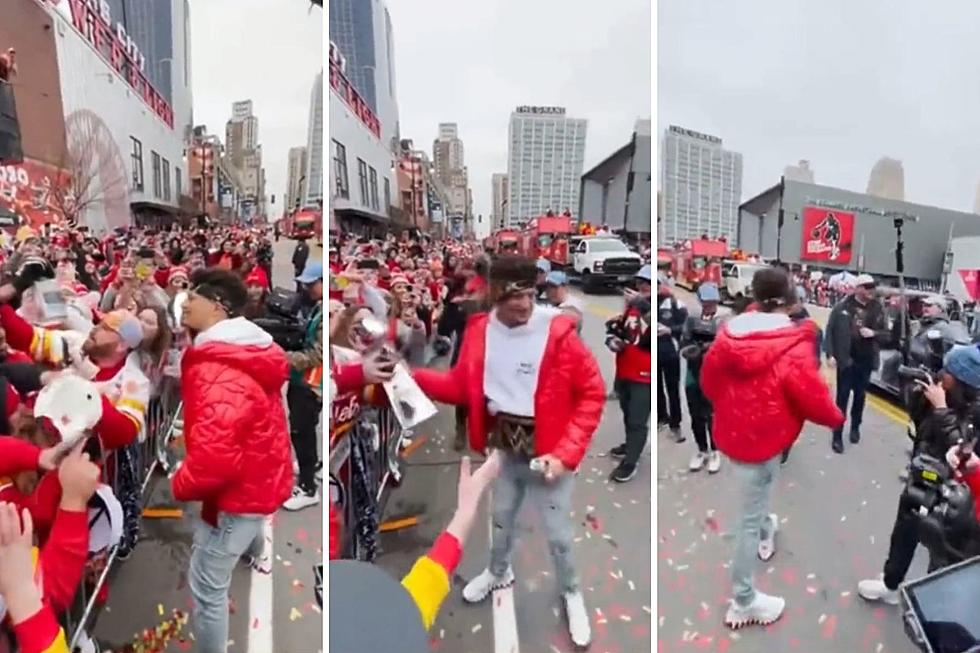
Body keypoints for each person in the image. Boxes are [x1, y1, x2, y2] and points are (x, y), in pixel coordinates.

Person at [411, 255, 605, 648]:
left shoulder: (558, 331)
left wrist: (565, 455)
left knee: (558, 536)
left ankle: (570, 591)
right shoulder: (479, 329)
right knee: (500, 519)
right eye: (515, 295)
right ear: (495, 292)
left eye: (530, 294)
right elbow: (459, 387)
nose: (524, 304)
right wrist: (407, 375)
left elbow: (592, 393)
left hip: (549, 453)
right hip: (504, 446)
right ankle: (498, 571)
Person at [701, 267, 843, 629]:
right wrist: (834, 411)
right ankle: (744, 600)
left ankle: (767, 525)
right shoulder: (793, 347)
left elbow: (709, 383)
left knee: (755, 500)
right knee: (747, 521)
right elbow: (814, 403)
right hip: (764, 444)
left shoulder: (729, 333)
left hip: (732, 438)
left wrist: (734, 409)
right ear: (790, 300)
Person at [171, 269, 293, 653]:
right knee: (251, 521)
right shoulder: (246, 348)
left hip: (235, 495)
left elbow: (215, 462)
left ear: (218, 306)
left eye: (194, 295)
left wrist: (179, 483)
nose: (185, 302)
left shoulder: (215, 365)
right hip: (258, 477)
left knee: (208, 588)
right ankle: (256, 552)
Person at [330, 453, 502, 653]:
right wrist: (464, 512)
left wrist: (464, 513)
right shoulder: (397, 624)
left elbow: (427, 580)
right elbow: (429, 577)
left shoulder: (395, 624)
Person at [857, 345, 980, 605]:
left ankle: (932, 606)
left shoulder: (973, 411)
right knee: (903, 534)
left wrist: (942, 409)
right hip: (921, 478)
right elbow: (917, 420)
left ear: (961, 382)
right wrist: (921, 396)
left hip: (952, 496)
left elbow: (961, 450)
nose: (941, 373)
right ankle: (891, 584)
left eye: (948, 371)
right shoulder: (937, 395)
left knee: (941, 554)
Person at [823, 273, 888, 453]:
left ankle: (855, 428)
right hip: (845, 361)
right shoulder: (843, 307)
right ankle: (837, 435)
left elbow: (887, 334)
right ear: (858, 288)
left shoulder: (878, 308)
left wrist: (874, 333)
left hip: (865, 361)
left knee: (860, 397)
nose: (870, 291)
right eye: (867, 287)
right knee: (841, 399)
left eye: (872, 287)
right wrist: (830, 353)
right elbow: (830, 331)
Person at [605, 265, 653, 482]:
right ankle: (630, 446)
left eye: (648, 283)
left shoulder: (660, 307)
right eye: (640, 282)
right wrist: (612, 339)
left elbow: (661, 328)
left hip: (645, 375)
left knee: (637, 419)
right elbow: (622, 332)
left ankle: (631, 462)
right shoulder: (631, 308)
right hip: (625, 370)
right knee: (627, 412)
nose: (642, 286)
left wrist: (643, 305)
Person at [283, 261, 324, 511]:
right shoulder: (317, 308)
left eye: (313, 283)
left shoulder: (327, 315)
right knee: (304, 431)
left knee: (302, 432)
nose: (307, 288)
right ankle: (312, 465)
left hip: (311, 384)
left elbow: (318, 354)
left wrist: (285, 357)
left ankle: (308, 488)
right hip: (301, 381)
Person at [680, 282, 722, 473]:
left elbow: (727, 346)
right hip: (692, 372)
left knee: (711, 415)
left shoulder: (723, 320)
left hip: (713, 374)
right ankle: (701, 450)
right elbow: (684, 340)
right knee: (695, 414)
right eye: (705, 303)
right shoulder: (692, 318)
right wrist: (689, 350)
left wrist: (709, 348)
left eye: (712, 303)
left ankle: (715, 451)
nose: (708, 306)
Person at [656, 272, 687, 442]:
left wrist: (670, 330)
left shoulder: (676, 304)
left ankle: (676, 424)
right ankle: (662, 417)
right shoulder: (646, 303)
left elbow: (685, 327)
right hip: (652, 353)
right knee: (657, 388)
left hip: (670, 353)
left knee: (672, 389)